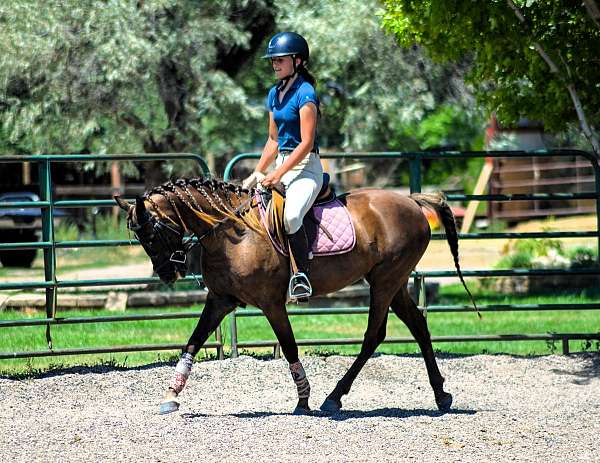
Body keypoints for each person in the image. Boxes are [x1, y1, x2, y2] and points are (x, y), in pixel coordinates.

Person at [242, 31, 323, 301]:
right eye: (272, 60)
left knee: (290, 216)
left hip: (306, 170)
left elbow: (306, 143)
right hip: (281, 166)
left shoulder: (306, 93)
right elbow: (273, 139)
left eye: (280, 60)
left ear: (298, 61)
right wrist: (258, 171)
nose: (275, 64)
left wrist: (277, 173)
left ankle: (301, 277)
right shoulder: (274, 93)